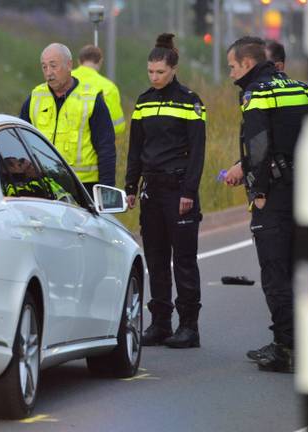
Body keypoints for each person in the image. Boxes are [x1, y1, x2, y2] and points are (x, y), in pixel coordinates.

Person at [222, 36, 308, 373]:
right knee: (297, 270)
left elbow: (258, 145)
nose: (230, 73)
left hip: (273, 194)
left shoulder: (255, 92)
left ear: (247, 63)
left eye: (232, 66)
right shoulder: (301, 88)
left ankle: (285, 347)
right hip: (304, 191)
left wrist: (257, 190)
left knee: (275, 273)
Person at [125, 33, 206, 349]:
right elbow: (135, 149)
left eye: (159, 72)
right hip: (151, 191)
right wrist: (130, 187)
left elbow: (198, 151)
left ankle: (189, 327)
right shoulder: (143, 101)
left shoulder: (190, 101)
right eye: (150, 72)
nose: (154, 77)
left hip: (179, 191)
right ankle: (160, 323)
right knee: (156, 259)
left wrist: (189, 191)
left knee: (184, 260)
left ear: (173, 68)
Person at [20, 43, 116, 192]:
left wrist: (107, 190)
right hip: (42, 185)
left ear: (69, 65)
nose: (48, 73)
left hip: (83, 188)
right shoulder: (35, 97)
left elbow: (106, 148)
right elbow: (20, 142)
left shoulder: (90, 99)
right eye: (44, 67)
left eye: (53, 66)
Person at [72, 45, 126, 137]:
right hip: (94, 146)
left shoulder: (64, 79)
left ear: (78, 61)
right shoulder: (109, 87)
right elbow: (118, 126)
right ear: (100, 61)